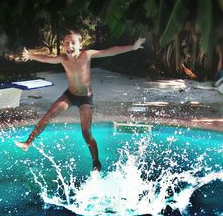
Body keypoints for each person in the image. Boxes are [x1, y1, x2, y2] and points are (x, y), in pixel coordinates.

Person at [15, 31, 146, 171]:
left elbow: (109, 51)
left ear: (80, 45)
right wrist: (30, 55)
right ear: (63, 45)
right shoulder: (63, 59)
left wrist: (132, 47)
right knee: (48, 115)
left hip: (85, 99)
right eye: (66, 43)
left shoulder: (87, 55)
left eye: (73, 43)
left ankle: (96, 162)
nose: (69, 45)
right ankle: (28, 143)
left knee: (86, 132)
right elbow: (46, 58)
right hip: (69, 95)